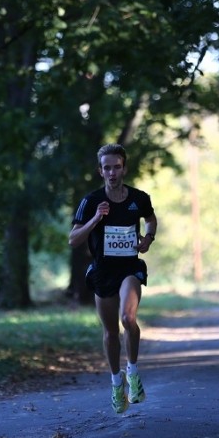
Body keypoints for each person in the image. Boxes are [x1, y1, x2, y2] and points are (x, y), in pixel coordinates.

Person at [69, 144, 157, 414]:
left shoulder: (139, 198)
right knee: (110, 332)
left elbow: (151, 220)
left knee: (128, 319)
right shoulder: (91, 201)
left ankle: (132, 372)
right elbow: (73, 239)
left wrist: (148, 238)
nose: (112, 172)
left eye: (116, 166)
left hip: (129, 268)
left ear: (124, 168)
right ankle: (116, 382)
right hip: (102, 271)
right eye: (107, 167)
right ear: (100, 171)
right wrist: (95, 219)